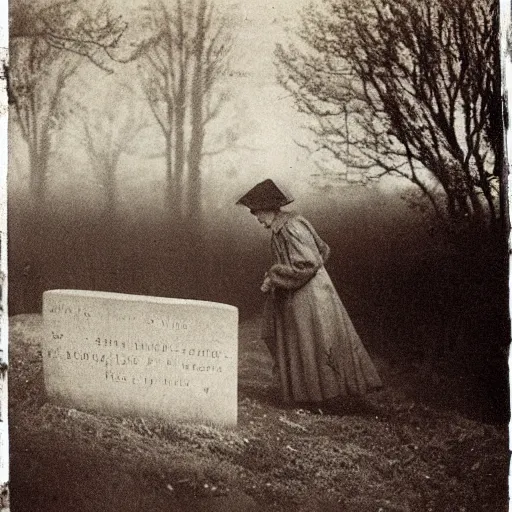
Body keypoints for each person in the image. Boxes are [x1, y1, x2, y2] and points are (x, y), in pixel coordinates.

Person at [237, 179, 382, 408]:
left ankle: (326, 399)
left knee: (314, 341)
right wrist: (278, 277)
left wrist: (276, 275)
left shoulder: (292, 226)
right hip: (302, 293)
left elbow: (309, 261)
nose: (257, 218)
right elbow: (321, 251)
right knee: (303, 342)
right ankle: (311, 397)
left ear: (269, 208)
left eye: (257, 212)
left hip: (312, 296)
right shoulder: (280, 229)